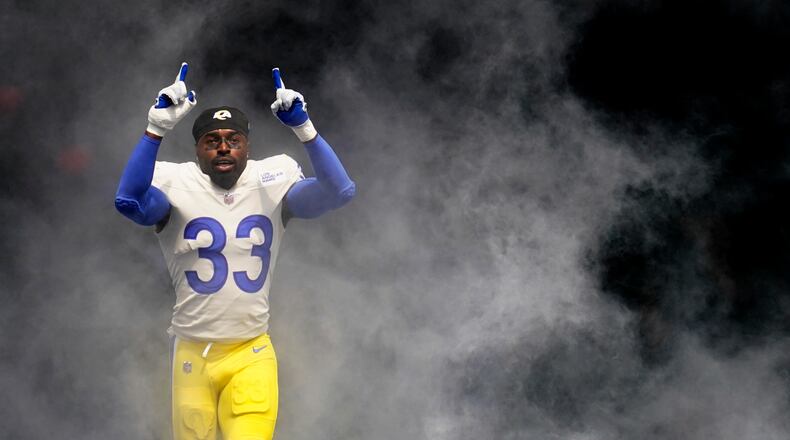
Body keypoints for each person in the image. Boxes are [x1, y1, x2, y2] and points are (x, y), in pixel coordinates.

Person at [115, 62, 355, 440]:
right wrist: (155, 129)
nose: (224, 147)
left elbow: (339, 191)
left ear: (247, 147)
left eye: (233, 139)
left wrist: (304, 129)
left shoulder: (271, 181)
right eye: (212, 140)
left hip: (250, 353)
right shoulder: (177, 183)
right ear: (197, 150)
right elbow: (129, 201)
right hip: (192, 355)